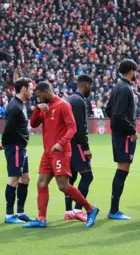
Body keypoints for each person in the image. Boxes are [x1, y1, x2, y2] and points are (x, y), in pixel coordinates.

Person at [24, 81, 98, 228]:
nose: (37, 99)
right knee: (41, 183)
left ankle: (91, 209)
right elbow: (33, 124)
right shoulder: (43, 106)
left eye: (39, 96)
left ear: (46, 92)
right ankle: (41, 218)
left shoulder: (63, 105)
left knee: (63, 186)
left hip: (61, 152)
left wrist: (61, 143)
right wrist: (38, 109)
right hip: (47, 152)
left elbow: (72, 128)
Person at [0, 77, 34, 224]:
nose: (32, 91)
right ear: (23, 89)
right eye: (30, 88)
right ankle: (9, 215)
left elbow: (18, 126)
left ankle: (20, 212)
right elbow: (8, 127)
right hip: (16, 147)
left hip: (21, 147)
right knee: (14, 179)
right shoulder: (15, 106)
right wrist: (4, 143)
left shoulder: (21, 105)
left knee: (26, 178)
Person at [105, 59, 138, 220]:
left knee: (122, 168)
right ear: (131, 71)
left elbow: (108, 109)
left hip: (118, 133)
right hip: (124, 135)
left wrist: (115, 125)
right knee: (123, 169)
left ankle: (114, 209)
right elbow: (117, 113)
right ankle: (114, 210)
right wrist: (131, 129)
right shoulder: (126, 88)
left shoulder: (117, 86)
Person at [64, 75, 95, 221]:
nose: (92, 90)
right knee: (87, 176)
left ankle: (69, 211)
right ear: (87, 85)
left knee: (71, 178)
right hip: (77, 145)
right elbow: (80, 127)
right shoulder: (79, 101)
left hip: (68, 144)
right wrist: (86, 147)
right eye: (91, 87)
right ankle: (77, 209)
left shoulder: (70, 99)